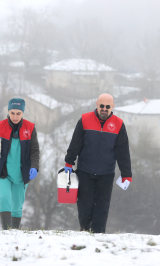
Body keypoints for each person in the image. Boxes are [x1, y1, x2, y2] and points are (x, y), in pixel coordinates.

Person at [64, 93, 132, 233]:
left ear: (112, 107)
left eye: (107, 106)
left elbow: (123, 152)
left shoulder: (118, 124)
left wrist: (127, 174)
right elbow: (75, 143)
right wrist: (69, 162)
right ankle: (84, 229)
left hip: (106, 173)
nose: (104, 109)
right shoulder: (84, 120)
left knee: (102, 206)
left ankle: (99, 233)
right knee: (84, 204)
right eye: (102, 106)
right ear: (97, 104)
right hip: (85, 170)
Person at [0, 98, 40, 230]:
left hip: (21, 174)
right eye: (12, 113)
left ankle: (14, 231)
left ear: (23, 113)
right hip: (3, 172)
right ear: (8, 112)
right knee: (5, 199)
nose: (15, 116)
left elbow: (35, 150)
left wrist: (34, 167)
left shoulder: (30, 128)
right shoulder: (0, 127)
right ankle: (6, 231)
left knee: (17, 205)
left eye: (18, 113)